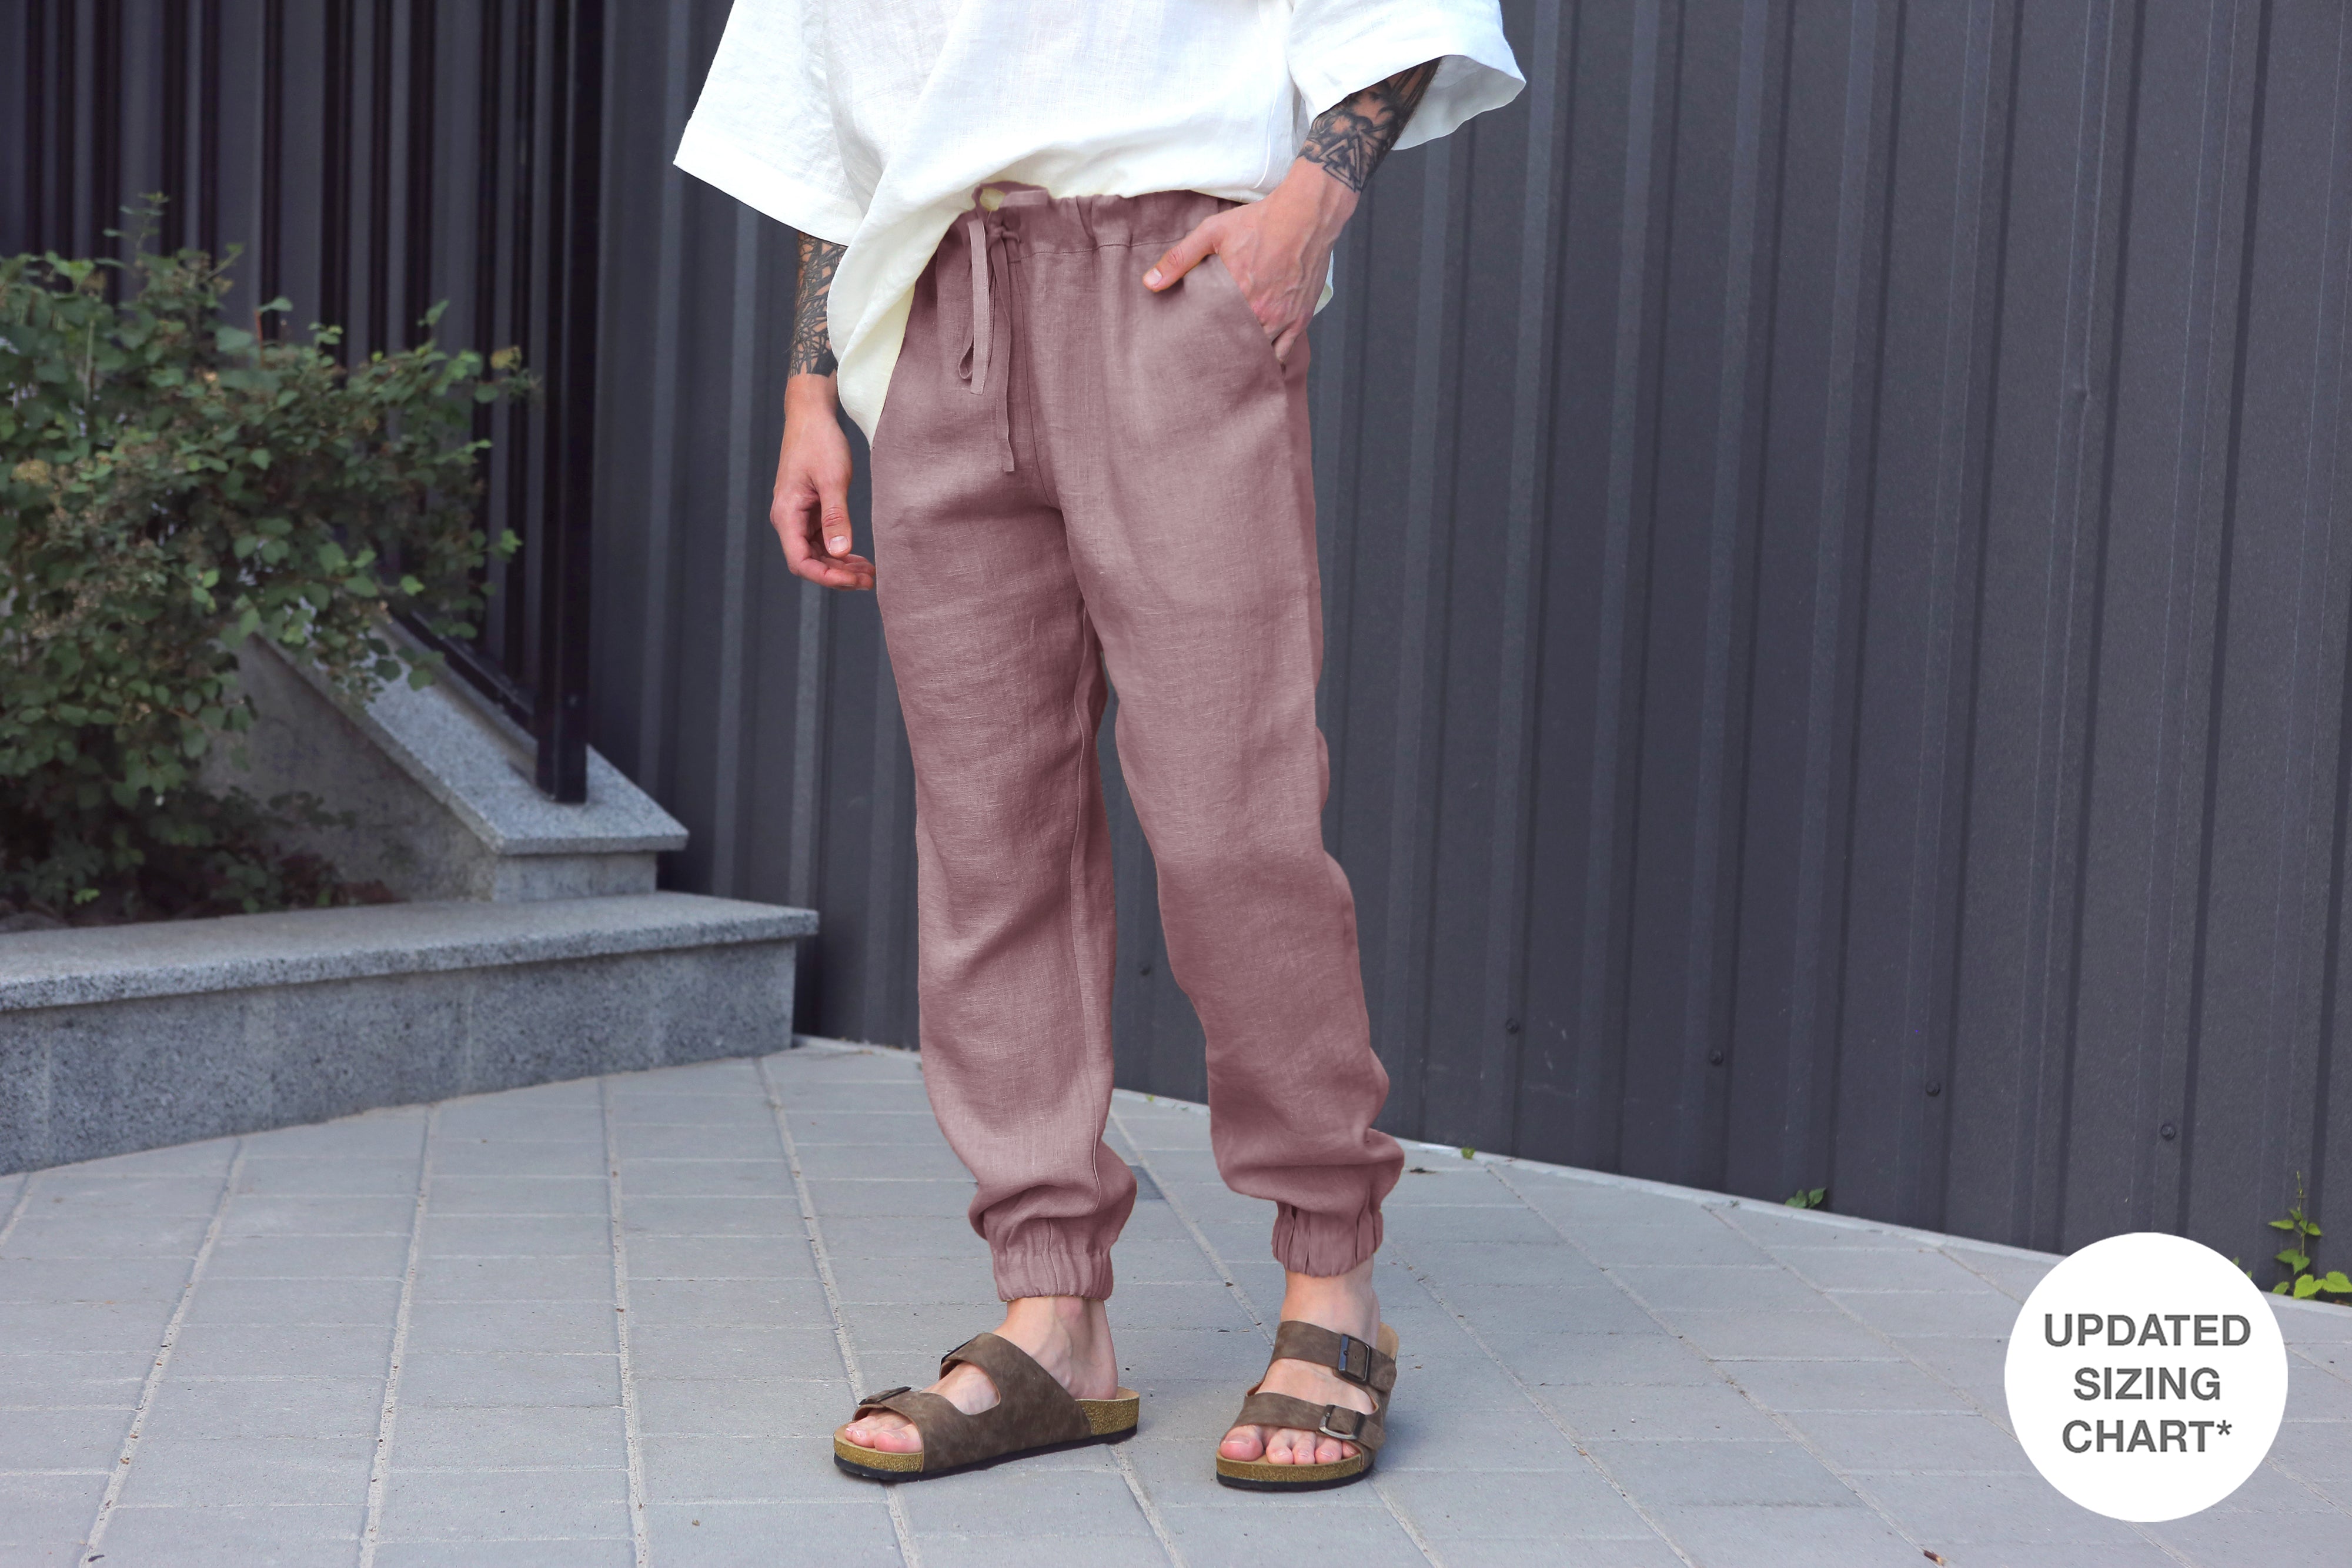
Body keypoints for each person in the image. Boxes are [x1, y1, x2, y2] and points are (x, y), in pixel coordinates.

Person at [677, 0, 1522, 1489]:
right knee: (990, 837)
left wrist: (1308, 207)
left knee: (1227, 821)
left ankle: (1333, 1279)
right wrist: (812, 384)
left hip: (1168, 280)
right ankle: (1052, 1310)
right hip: (937, 313)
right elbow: (829, 110)